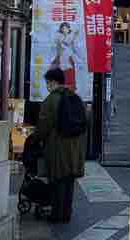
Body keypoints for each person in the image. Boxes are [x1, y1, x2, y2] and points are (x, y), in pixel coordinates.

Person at [27, 67, 86, 223]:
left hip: (58, 147)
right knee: (69, 181)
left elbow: (43, 125)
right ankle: (66, 214)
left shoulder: (51, 100)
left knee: (57, 180)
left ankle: (57, 215)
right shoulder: (75, 97)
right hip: (75, 148)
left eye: (47, 83)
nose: (47, 86)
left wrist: (34, 139)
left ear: (53, 82)